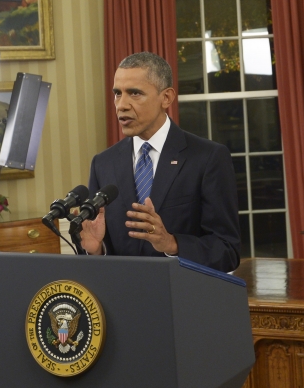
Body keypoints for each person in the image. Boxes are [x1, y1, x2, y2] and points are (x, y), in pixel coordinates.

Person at [77, 52, 241, 272]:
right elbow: (104, 251)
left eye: (134, 93)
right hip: (123, 301)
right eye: (117, 93)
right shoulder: (102, 164)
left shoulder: (208, 158)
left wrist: (171, 244)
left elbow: (227, 251)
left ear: (166, 98)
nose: (121, 105)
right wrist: (96, 250)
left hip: (183, 300)